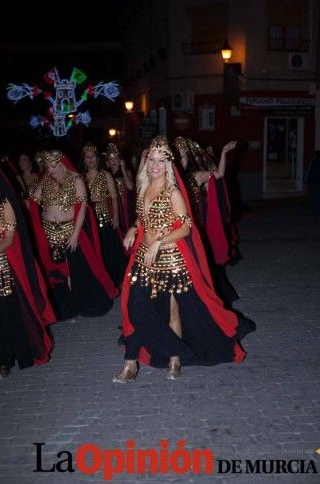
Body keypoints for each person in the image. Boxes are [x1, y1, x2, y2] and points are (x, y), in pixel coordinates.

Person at [113, 136, 255, 383]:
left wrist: (159, 241)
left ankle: (174, 359)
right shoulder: (143, 188)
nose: (155, 165)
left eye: (161, 160)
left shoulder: (173, 191)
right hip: (145, 259)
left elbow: (187, 227)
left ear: (168, 164)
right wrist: (133, 229)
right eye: (152, 160)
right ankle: (131, 361)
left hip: (171, 260)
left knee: (173, 312)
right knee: (134, 307)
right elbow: (142, 219)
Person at [0, 144, 55, 378]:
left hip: (2, 269)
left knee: (3, 314)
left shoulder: (3, 204)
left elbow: (10, 238)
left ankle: (4, 359)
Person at [29, 149, 117, 321]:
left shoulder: (76, 179)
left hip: (69, 231)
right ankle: (67, 308)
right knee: (57, 271)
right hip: (49, 232)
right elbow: (33, 201)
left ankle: (79, 303)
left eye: (53, 166)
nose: (50, 169)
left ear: (61, 163)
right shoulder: (46, 180)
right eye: (48, 166)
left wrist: (75, 234)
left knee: (73, 270)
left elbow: (82, 207)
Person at [174, 137, 239, 306]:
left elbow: (219, 174)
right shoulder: (169, 181)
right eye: (177, 157)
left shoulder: (195, 176)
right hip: (176, 228)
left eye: (183, 157)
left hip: (196, 227)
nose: (181, 161)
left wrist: (224, 153)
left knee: (202, 263)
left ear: (188, 158)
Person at [82, 142, 127, 288]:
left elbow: (114, 197)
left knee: (108, 249)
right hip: (88, 217)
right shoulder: (81, 177)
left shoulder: (105, 175)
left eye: (93, 157)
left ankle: (114, 278)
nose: (91, 160)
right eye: (87, 157)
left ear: (97, 159)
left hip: (104, 216)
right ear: (84, 160)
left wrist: (116, 217)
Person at [106, 143, 135, 234]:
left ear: (120, 160)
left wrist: (123, 169)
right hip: (112, 207)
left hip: (125, 206)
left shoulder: (127, 172)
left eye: (116, 158)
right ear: (107, 163)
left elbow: (130, 186)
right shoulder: (105, 176)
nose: (113, 161)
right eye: (111, 159)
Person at [306, 151, 320, 216]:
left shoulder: (314, 162)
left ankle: (314, 211)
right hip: (317, 181)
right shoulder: (314, 162)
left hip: (314, 182)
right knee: (317, 197)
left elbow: (310, 172)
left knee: (314, 197)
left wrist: (308, 180)